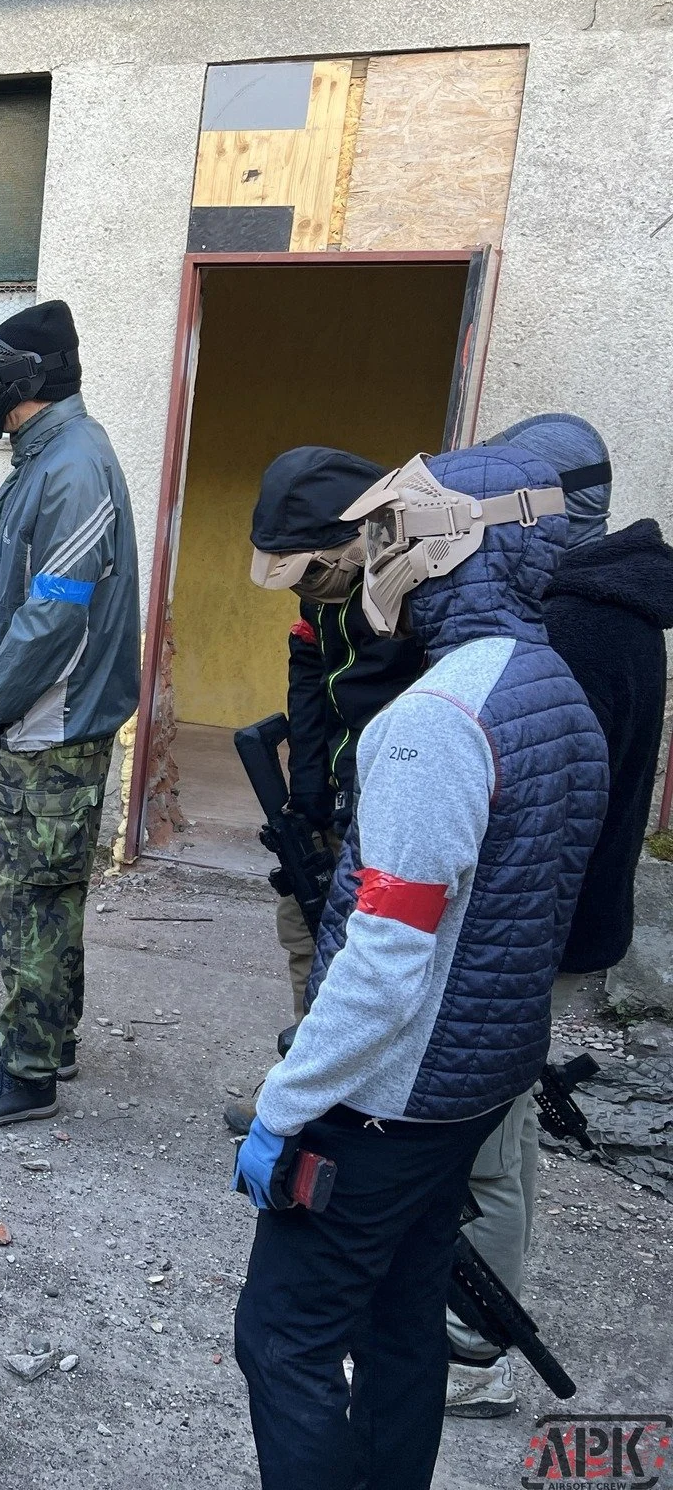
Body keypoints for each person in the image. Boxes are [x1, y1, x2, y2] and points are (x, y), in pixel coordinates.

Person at [231, 443, 606, 1490]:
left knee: (283, 1339)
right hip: (475, 1089)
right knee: (400, 1324)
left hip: (389, 1106)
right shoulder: (553, 691)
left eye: (391, 532)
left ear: (444, 548)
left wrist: (285, 1104)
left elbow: (387, 959)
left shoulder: (431, 724)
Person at [437, 413, 670, 1418]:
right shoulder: (614, 608)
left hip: (538, 925)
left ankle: (470, 1350)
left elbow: (535, 804)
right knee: (504, 1120)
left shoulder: (579, 624)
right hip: (564, 920)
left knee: (485, 1139)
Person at [0, 299, 140, 1131]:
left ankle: (28, 1074)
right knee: (48, 891)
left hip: (55, 719)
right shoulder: (51, 457)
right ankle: (47, 1035)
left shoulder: (72, 466)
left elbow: (56, 615)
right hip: (44, 713)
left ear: (27, 378)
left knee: (31, 896)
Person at [245, 447, 423, 1020]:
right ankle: (306, 1058)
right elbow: (309, 677)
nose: (308, 587)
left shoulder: (426, 593)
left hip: (392, 807)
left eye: (314, 572)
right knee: (304, 929)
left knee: (371, 957)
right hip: (328, 801)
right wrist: (308, 791)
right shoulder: (322, 593)